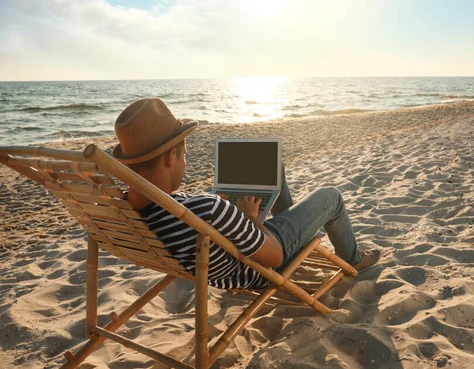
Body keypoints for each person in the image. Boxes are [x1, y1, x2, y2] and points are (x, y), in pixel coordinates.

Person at [113, 98, 381, 289]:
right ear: (171, 156)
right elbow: (274, 258)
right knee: (330, 195)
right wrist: (249, 219)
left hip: (213, 248)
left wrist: (229, 213)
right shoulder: (209, 209)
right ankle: (352, 259)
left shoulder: (126, 208)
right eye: (184, 155)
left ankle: (291, 222)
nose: (185, 161)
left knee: (273, 169)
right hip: (257, 267)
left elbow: (197, 218)